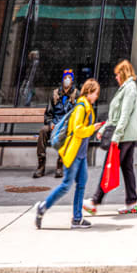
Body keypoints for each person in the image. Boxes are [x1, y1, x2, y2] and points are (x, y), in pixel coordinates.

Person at [34, 79, 102, 230]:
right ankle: (43, 207)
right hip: (74, 153)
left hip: (82, 154)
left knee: (81, 184)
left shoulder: (88, 106)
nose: (97, 96)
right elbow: (77, 130)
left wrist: (93, 129)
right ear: (89, 92)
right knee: (66, 185)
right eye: (96, 93)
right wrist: (92, 129)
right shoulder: (81, 107)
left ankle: (77, 219)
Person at [86, 59, 137, 216]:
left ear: (123, 73)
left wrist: (116, 136)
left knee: (109, 166)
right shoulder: (125, 88)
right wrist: (103, 128)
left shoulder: (129, 88)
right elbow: (114, 115)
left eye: (117, 74)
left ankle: (95, 201)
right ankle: (132, 202)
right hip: (127, 135)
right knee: (127, 168)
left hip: (124, 136)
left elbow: (124, 115)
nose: (116, 77)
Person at [35, 69, 77, 179]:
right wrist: (50, 123)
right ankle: (41, 166)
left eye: (69, 78)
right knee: (43, 131)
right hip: (54, 123)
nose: (67, 80)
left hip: (66, 125)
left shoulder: (76, 94)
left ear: (72, 80)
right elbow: (48, 113)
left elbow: (76, 114)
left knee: (67, 134)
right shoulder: (55, 94)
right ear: (62, 80)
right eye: (65, 78)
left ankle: (60, 166)